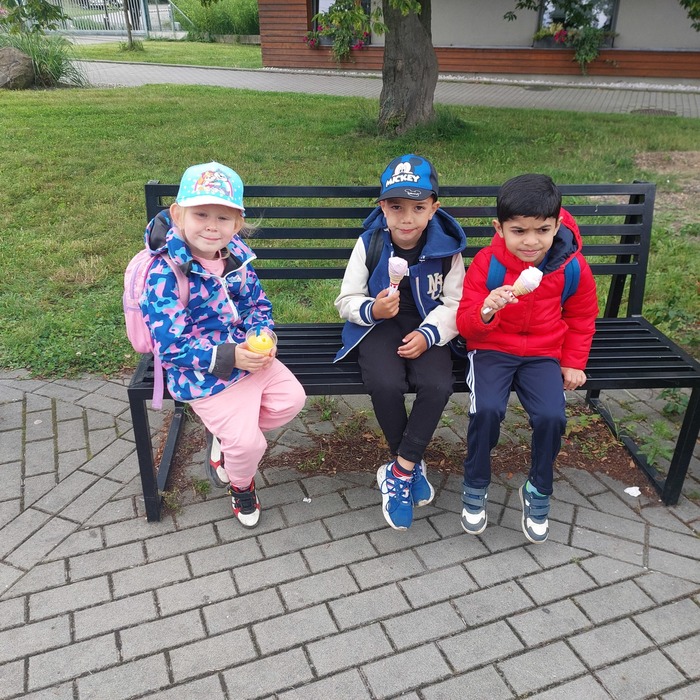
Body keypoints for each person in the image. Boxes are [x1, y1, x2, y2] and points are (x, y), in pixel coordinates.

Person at [141, 162, 306, 528]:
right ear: (178, 214)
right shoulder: (165, 274)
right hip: (201, 373)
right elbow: (170, 345)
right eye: (201, 214)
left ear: (237, 223)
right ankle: (241, 483)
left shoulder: (235, 258)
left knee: (292, 400)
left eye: (223, 218)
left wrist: (263, 336)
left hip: (249, 358)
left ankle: (226, 441)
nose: (212, 226)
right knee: (249, 445)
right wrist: (231, 356)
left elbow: (256, 304)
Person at [456, 173, 598, 543]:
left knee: (552, 416)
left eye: (542, 230)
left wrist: (573, 362)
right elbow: (466, 324)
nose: (531, 241)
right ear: (499, 228)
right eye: (519, 231)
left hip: (543, 353)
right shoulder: (487, 264)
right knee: (487, 410)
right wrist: (487, 309)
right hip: (492, 349)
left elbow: (582, 316)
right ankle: (475, 482)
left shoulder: (571, 266)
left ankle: (538, 487)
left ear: (557, 225)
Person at [334, 154, 467, 530]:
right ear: (383, 207)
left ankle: (400, 470)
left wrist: (429, 334)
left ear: (434, 208)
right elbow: (346, 300)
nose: (406, 218)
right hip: (378, 326)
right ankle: (408, 463)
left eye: (418, 207)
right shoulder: (370, 243)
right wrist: (373, 308)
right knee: (385, 383)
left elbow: (456, 304)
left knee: (437, 384)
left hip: (429, 326)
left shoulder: (447, 249)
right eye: (396, 207)